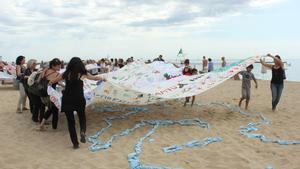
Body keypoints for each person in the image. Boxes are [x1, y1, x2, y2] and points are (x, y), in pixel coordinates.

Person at [49, 57, 106, 149]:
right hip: (79, 99)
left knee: (70, 122)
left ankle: (75, 144)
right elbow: (94, 78)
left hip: (67, 99)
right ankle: (82, 132)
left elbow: (54, 81)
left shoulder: (66, 73)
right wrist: (103, 78)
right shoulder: (82, 73)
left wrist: (49, 83)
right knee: (82, 117)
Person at [39, 58, 62, 130]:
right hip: (51, 94)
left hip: (43, 93)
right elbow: (58, 82)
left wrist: (45, 69)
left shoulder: (46, 71)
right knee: (54, 110)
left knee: (51, 109)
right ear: (53, 66)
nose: (59, 67)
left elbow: (40, 78)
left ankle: (42, 124)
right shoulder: (57, 74)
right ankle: (54, 127)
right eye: (58, 66)